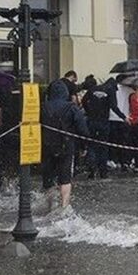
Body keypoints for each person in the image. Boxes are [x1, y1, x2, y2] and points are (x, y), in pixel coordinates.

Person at [41, 80, 88, 209]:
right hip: (66, 146)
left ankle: (49, 206)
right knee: (65, 177)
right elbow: (82, 129)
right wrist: (83, 146)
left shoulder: (42, 106)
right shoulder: (71, 107)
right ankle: (64, 206)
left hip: (46, 146)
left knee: (48, 177)